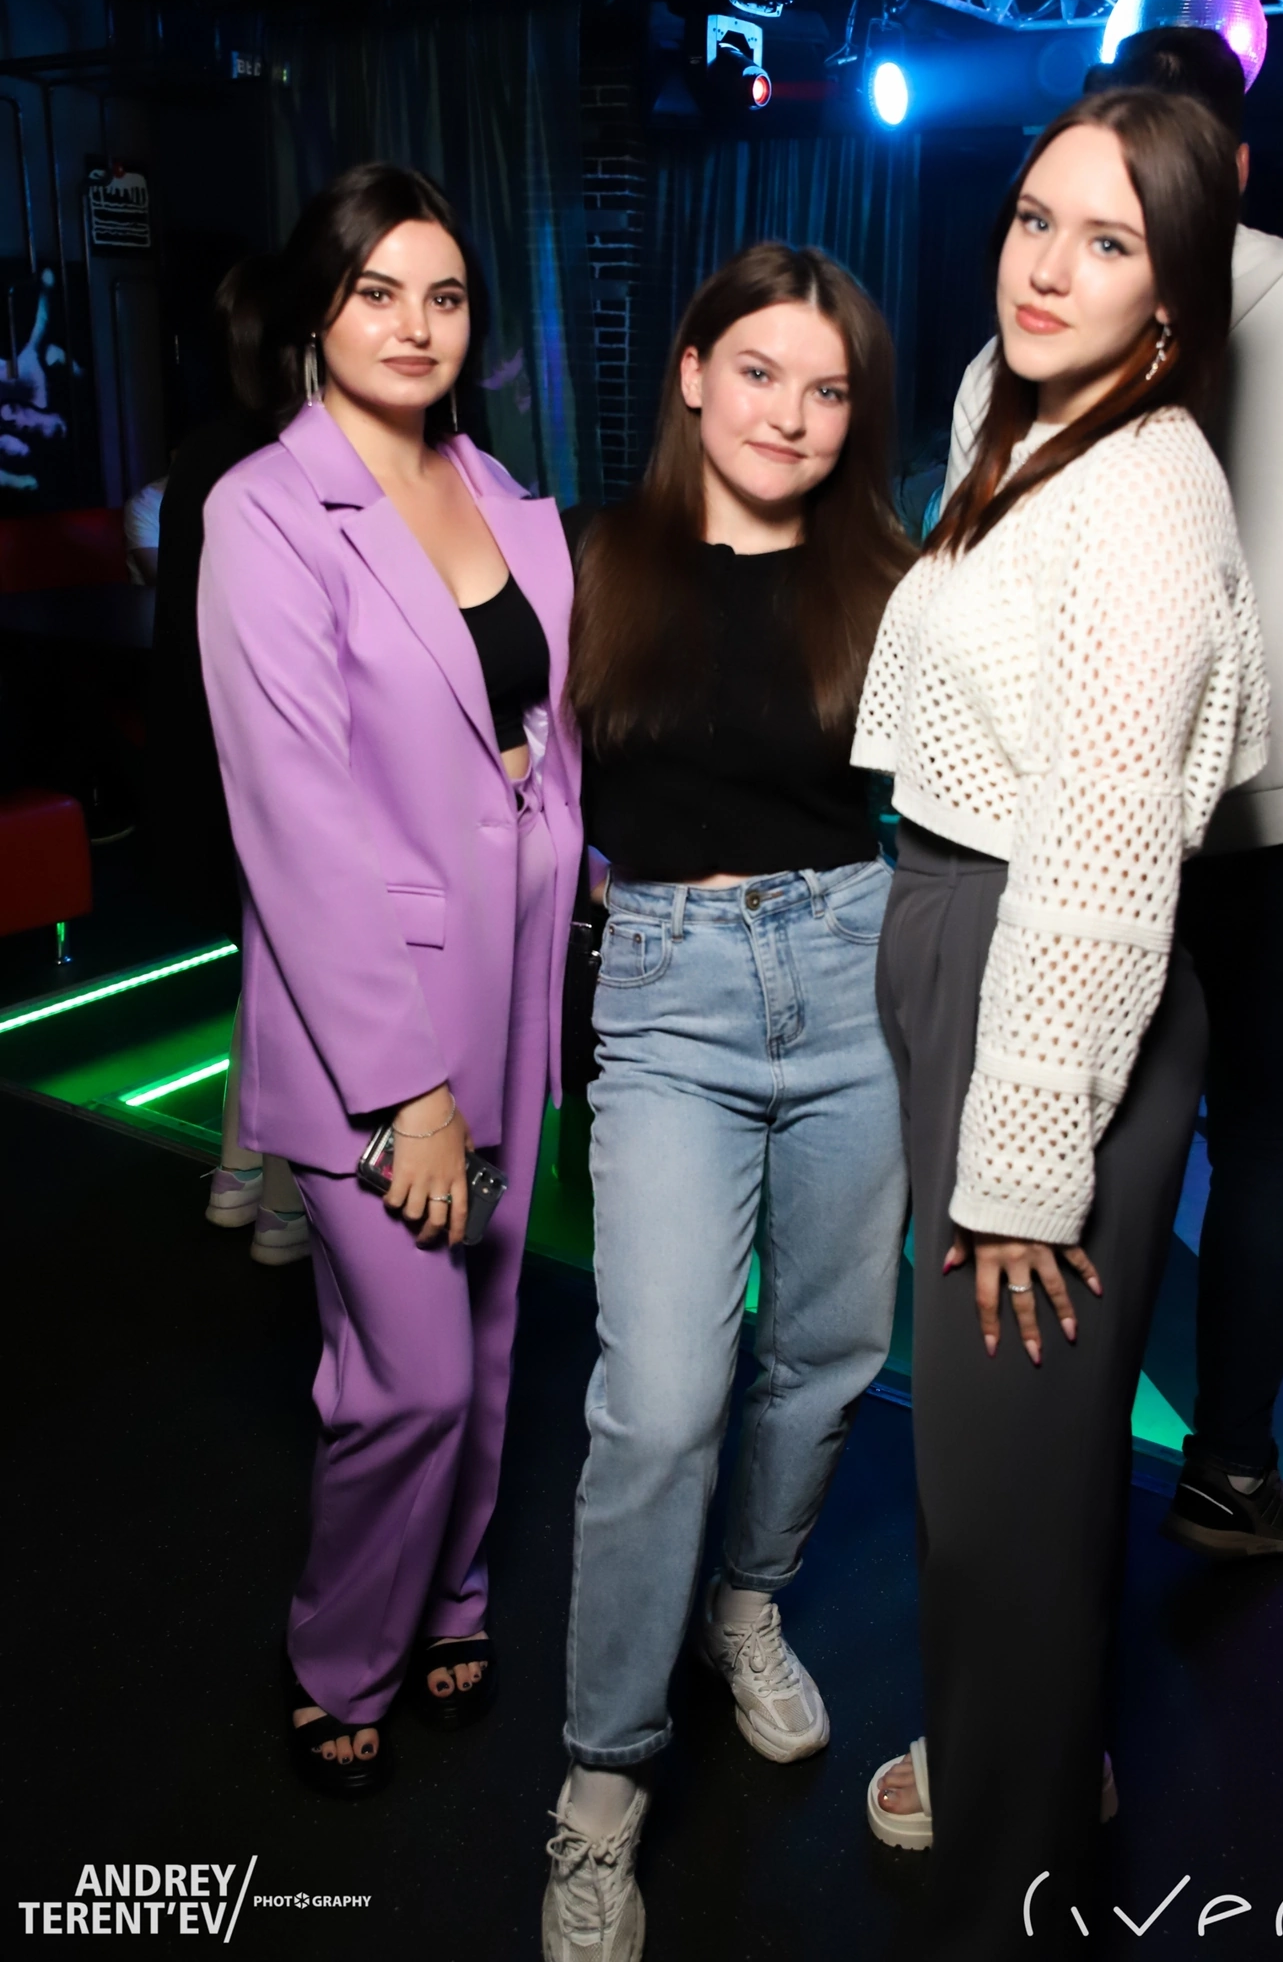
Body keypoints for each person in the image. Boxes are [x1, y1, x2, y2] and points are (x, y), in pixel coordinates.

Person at [855, 89, 1267, 1956]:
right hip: (971, 931)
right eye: (1036, 218)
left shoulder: (1148, 492)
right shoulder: (1015, 414)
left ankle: (1010, 1871)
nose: (1047, 267)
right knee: (1017, 1459)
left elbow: (1104, 851)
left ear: (1173, 292)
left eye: (1110, 242)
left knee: (997, 1485)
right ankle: (1027, 1754)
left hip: (1040, 961)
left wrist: (1024, 1169)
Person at [949, 26, 1283, 1554]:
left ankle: (1059, 1493)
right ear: (1239, 159)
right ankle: (1226, 1470)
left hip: (1110, 818)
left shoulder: (1039, 332)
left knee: (1087, 1139)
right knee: (1260, 1138)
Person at [541, 243, 914, 1961]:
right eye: (760, 372)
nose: (793, 415)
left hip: (854, 978)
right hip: (670, 999)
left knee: (829, 1354)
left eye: (829, 390)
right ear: (691, 372)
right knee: (662, 1402)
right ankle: (601, 1788)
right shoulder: (588, 560)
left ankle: (745, 1608)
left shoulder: (888, 578)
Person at [198, 162, 582, 1792]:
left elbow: (530, 724)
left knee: (488, 1348)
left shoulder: (492, 487)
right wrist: (408, 1093)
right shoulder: (265, 514)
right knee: (409, 1377)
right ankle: (339, 1650)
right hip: (382, 1034)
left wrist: (563, 837)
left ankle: (455, 1595)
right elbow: (294, 818)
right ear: (318, 310)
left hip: (514, 990)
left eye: (445, 296)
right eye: (377, 293)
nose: (416, 327)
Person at [147, 256, 311, 1264]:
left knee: (271, 964)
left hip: (208, 754)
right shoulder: (289, 464)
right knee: (299, 973)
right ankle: (280, 1194)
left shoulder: (206, 455)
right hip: (271, 762)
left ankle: (242, 1166)